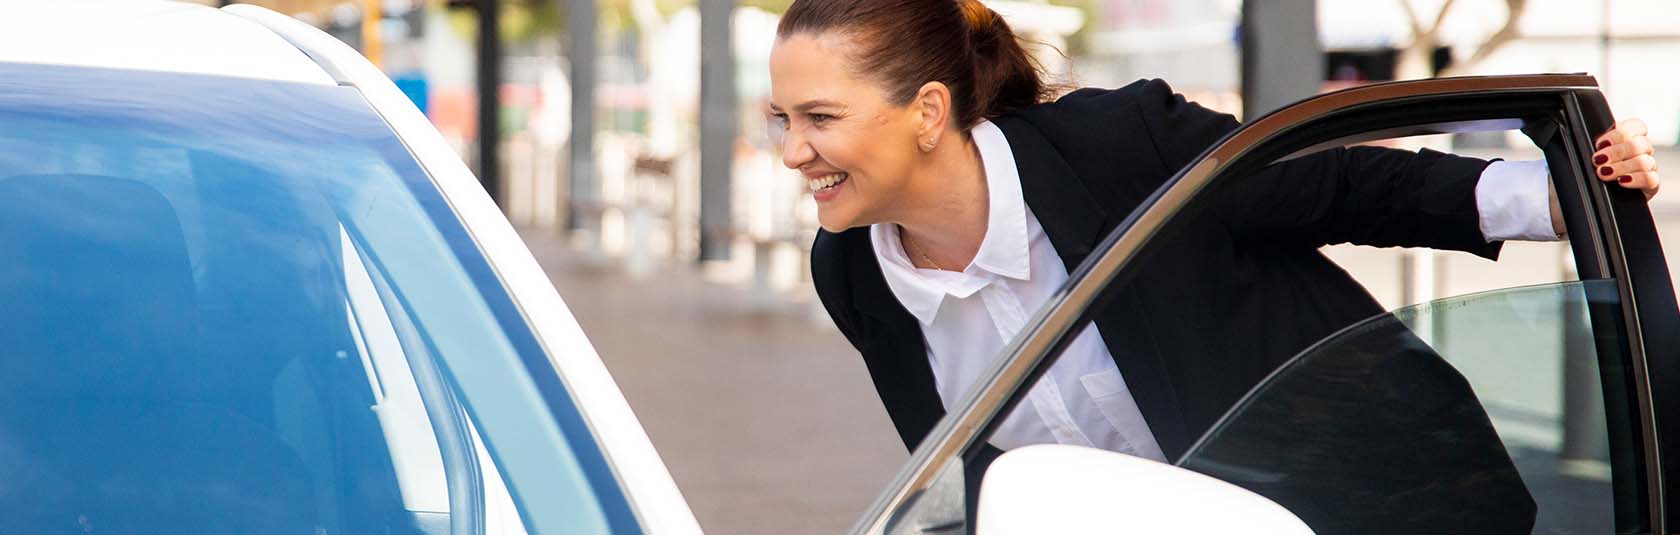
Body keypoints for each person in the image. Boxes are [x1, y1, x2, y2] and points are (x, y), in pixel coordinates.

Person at [768, 0, 1661, 522]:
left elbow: (1336, 187)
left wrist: (1558, 193)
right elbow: (966, 470)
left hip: (1372, 503)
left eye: (820, 118)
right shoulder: (851, 269)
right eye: (782, 120)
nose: (793, 152)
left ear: (928, 111)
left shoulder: (1115, 144)